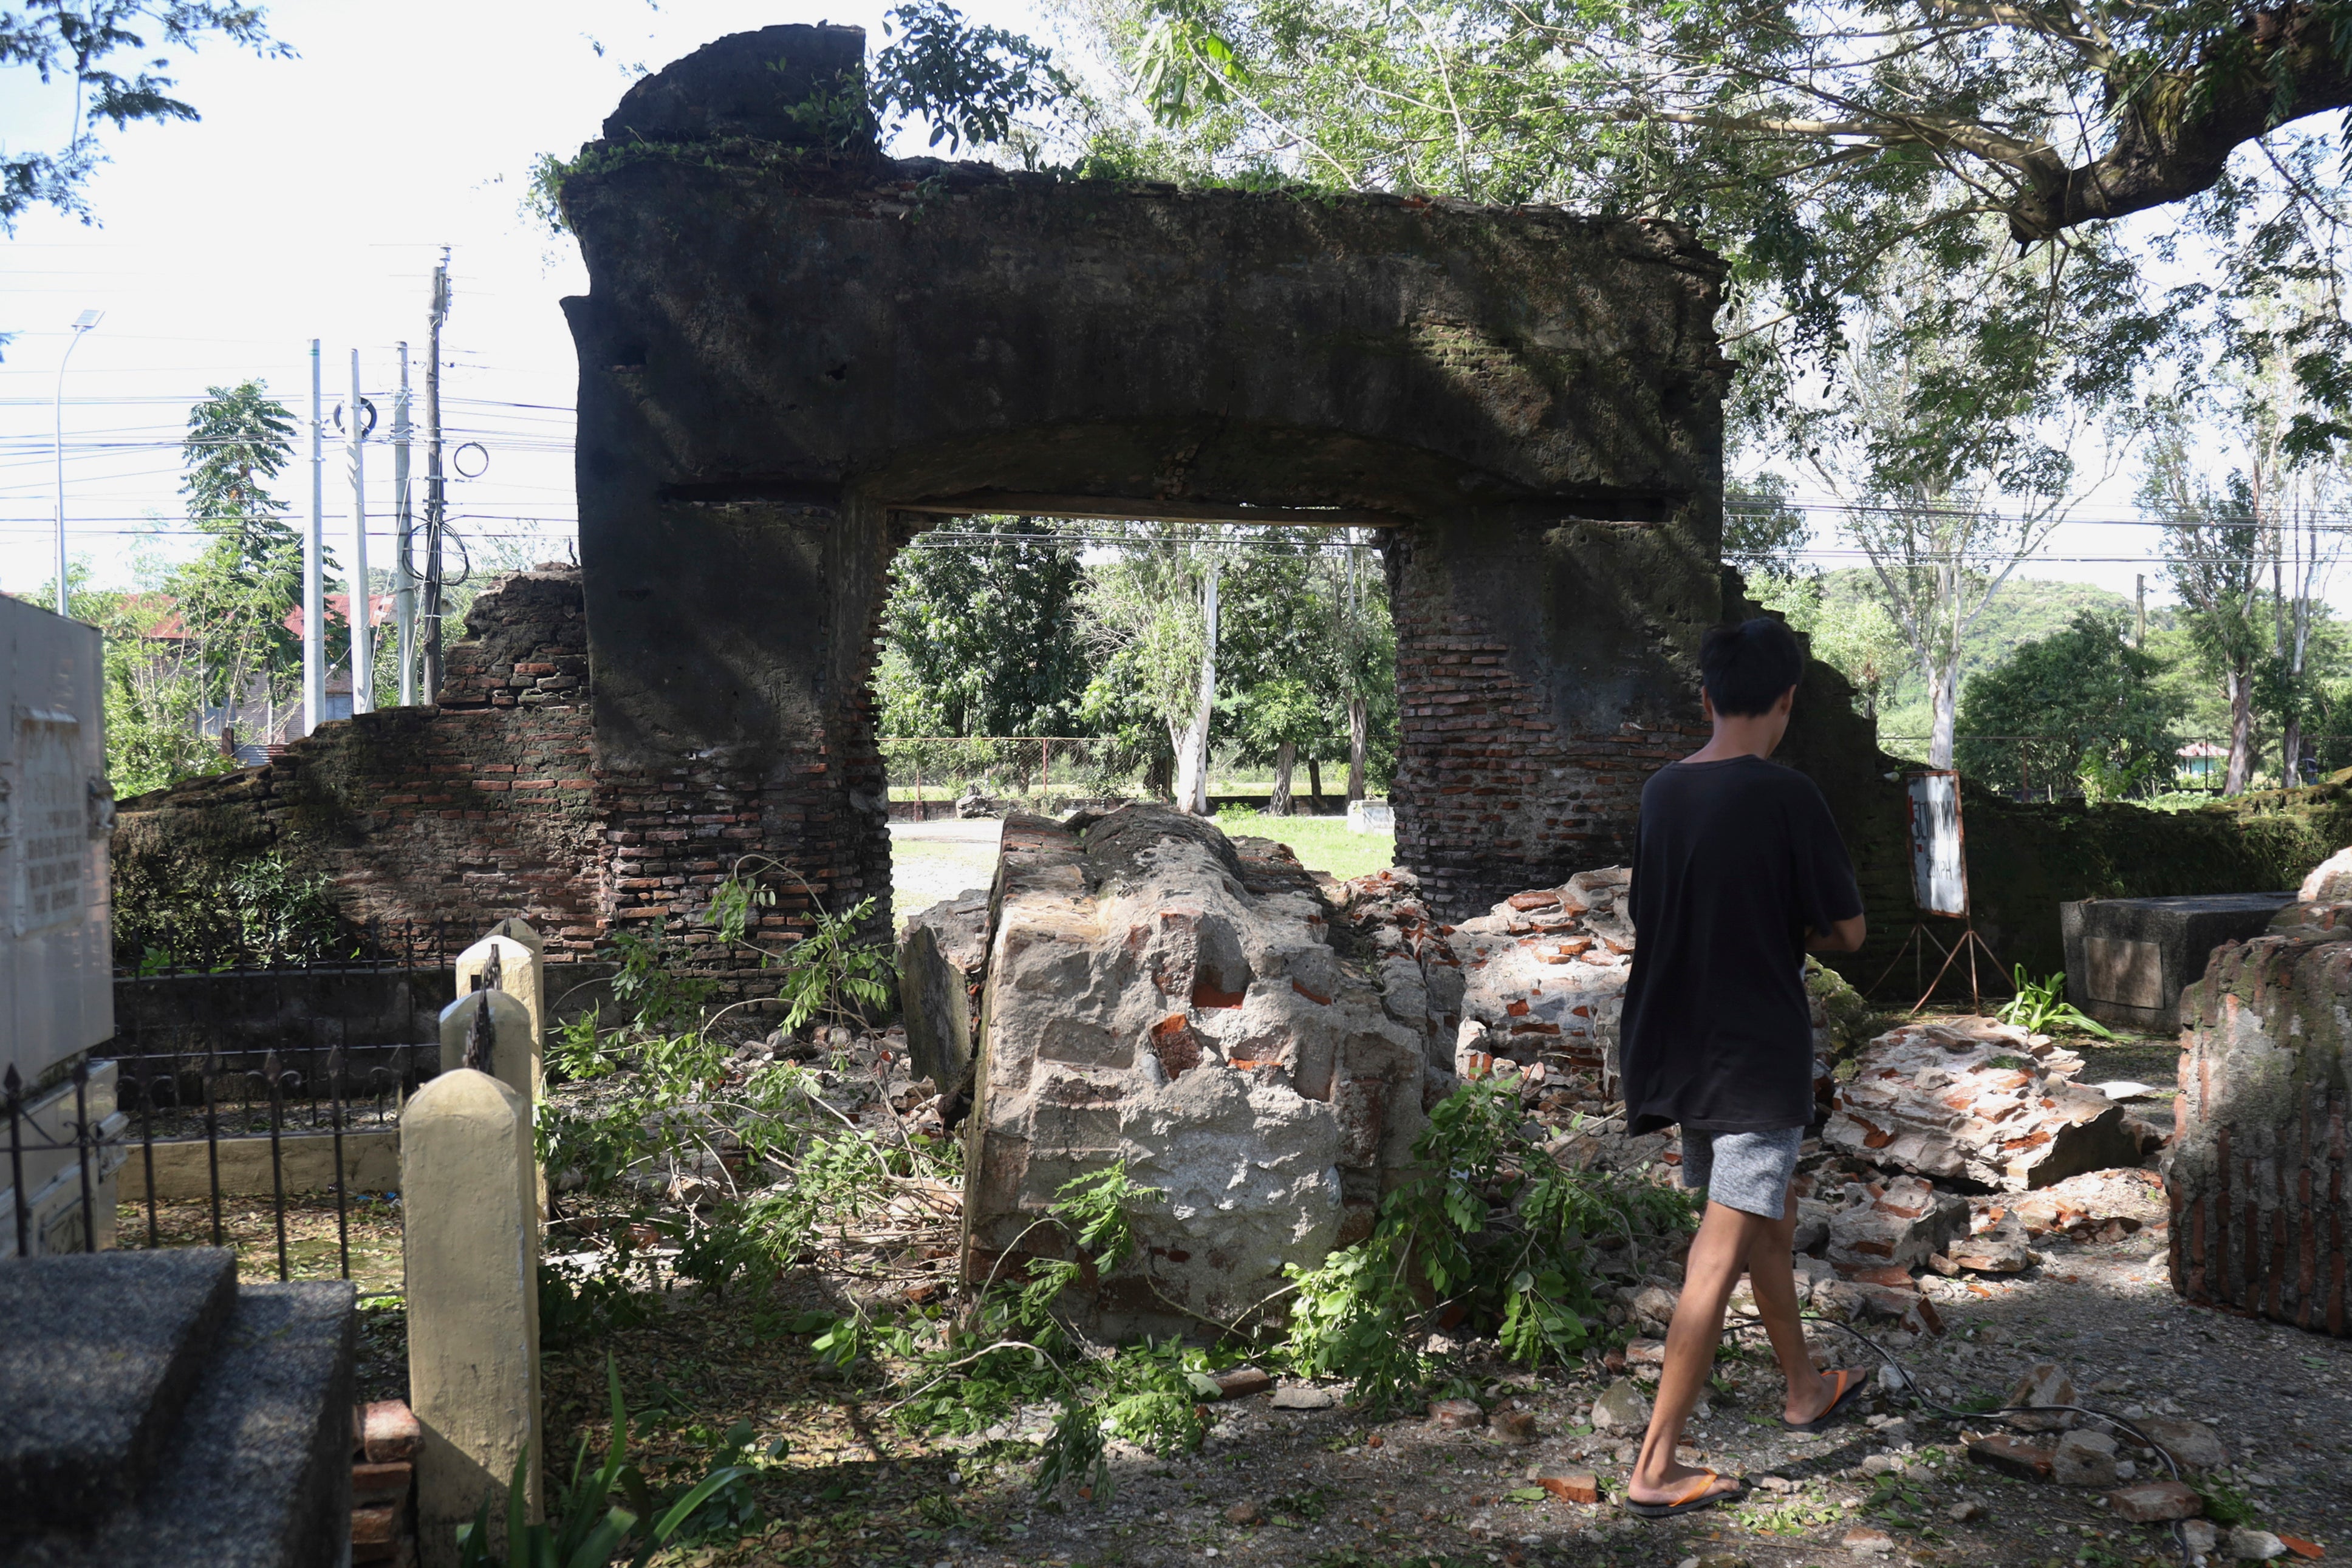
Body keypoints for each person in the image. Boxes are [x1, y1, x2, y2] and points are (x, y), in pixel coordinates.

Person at [1617, 616, 1870, 1518]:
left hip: (1676, 1043)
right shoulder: (1790, 796)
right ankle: (1654, 1464)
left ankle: (1803, 1385)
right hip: (1757, 1056)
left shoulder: (1660, 793)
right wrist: (1790, 928)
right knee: (1715, 1256)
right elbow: (1847, 932)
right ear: (1789, 698)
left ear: (1706, 697)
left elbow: (1655, 909)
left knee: (1766, 1213)